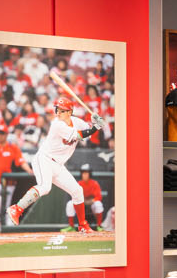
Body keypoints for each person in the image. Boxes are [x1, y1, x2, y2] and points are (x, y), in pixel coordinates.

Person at [8, 94, 101, 233]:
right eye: (57, 109)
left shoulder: (76, 121)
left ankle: (82, 224)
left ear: (70, 112)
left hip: (58, 165)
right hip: (44, 159)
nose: (58, 113)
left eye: (62, 110)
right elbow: (79, 135)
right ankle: (17, 208)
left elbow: (89, 130)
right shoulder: (57, 124)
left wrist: (95, 122)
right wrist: (95, 127)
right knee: (45, 187)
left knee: (77, 190)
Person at [75, 164, 106, 232]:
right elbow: (75, 197)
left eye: (86, 173)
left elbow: (98, 197)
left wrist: (90, 201)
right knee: (70, 204)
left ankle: (99, 226)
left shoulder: (94, 183)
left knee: (98, 204)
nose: (84, 175)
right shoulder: (79, 183)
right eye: (83, 173)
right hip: (82, 204)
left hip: (91, 204)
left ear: (89, 174)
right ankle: (71, 226)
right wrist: (84, 201)